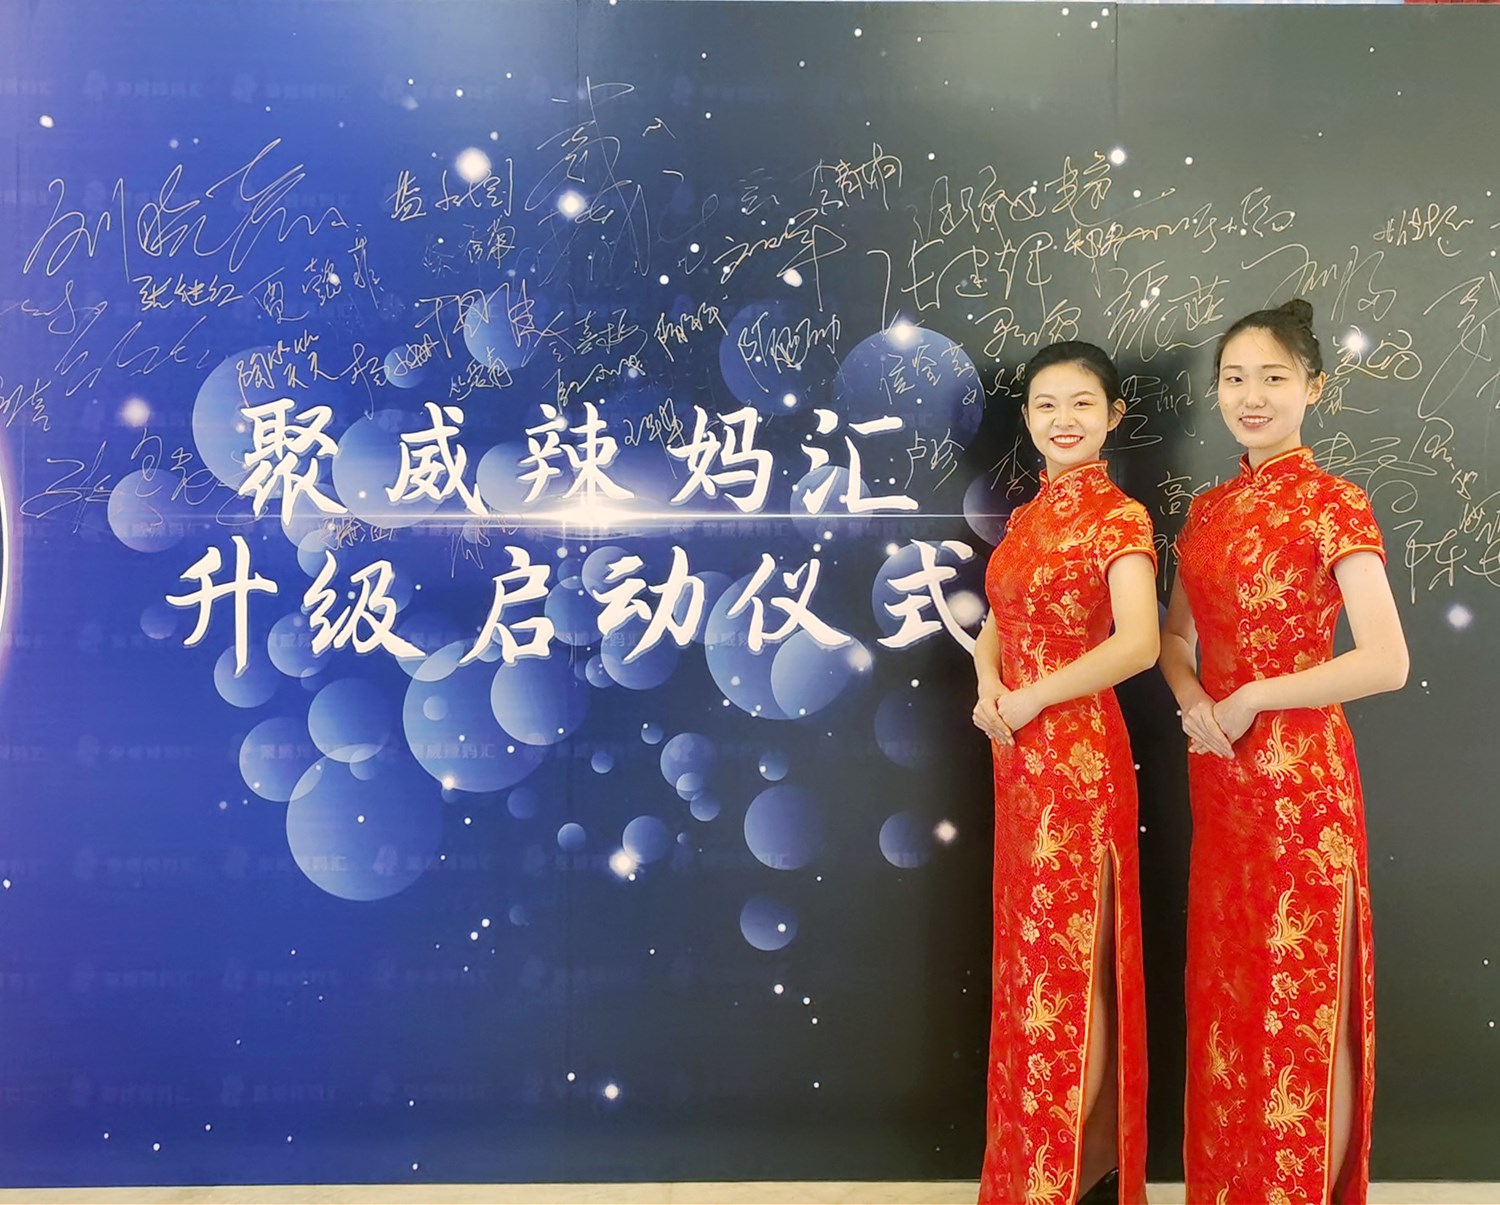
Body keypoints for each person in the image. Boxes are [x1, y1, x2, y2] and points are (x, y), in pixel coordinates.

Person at [1158, 300, 1409, 1205]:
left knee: (1305, 997)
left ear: (1314, 388)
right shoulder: (1207, 510)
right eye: (1234, 379)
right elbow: (1174, 640)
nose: (1251, 396)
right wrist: (1195, 702)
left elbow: (1385, 660)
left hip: (1304, 782)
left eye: (1273, 378)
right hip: (1222, 775)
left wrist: (1255, 695)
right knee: (1232, 993)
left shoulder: (1335, 502)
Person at [973, 341, 1159, 1205]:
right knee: (1029, 966)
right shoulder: (1026, 518)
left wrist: (1029, 698)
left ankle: (1063, 1180)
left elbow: (1139, 643)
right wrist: (987, 685)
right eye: (1046, 404)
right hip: (1018, 760)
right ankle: (1041, 1176)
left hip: (1079, 762)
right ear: (1027, 417)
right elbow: (997, 623)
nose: (1063, 419)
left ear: (1113, 415)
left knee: (1072, 967)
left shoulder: (1120, 517)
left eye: (1082, 403)